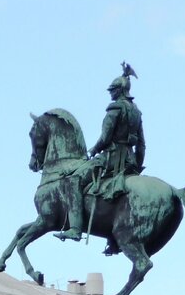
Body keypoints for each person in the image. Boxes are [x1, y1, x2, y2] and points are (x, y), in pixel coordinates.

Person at [59, 62, 145, 242]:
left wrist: (94, 149)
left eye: (112, 90)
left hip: (110, 158)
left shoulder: (115, 109)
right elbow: (142, 145)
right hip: (130, 161)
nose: (110, 93)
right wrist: (137, 165)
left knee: (73, 180)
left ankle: (75, 229)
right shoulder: (137, 112)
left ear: (119, 90)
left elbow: (105, 138)